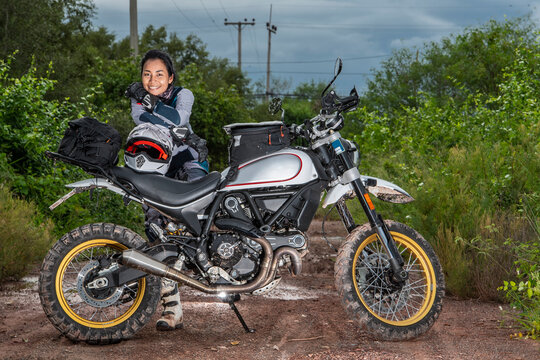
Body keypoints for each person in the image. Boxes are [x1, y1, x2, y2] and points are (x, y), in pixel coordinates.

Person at [125, 49, 208, 331]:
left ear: (170, 77)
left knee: (202, 219)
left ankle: (215, 266)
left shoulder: (184, 94)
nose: (152, 79)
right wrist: (153, 109)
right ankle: (173, 309)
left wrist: (151, 104)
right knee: (157, 233)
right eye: (146, 74)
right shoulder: (137, 102)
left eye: (159, 74)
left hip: (189, 163)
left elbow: (179, 119)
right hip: (155, 168)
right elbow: (144, 121)